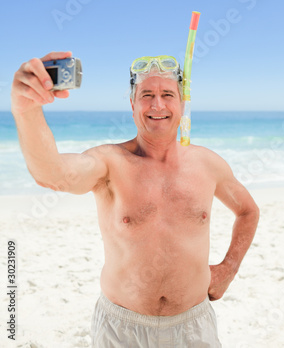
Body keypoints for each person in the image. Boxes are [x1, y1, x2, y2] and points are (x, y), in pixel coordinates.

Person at [11, 50, 260, 348]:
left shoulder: (208, 165)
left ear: (181, 104)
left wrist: (229, 268)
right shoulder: (110, 162)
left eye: (167, 94)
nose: (157, 105)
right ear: (132, 104)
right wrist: (26, 110)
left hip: (193, 327)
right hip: (122, 330)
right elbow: (53, 174)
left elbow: (248, 211)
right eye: (146, 95)